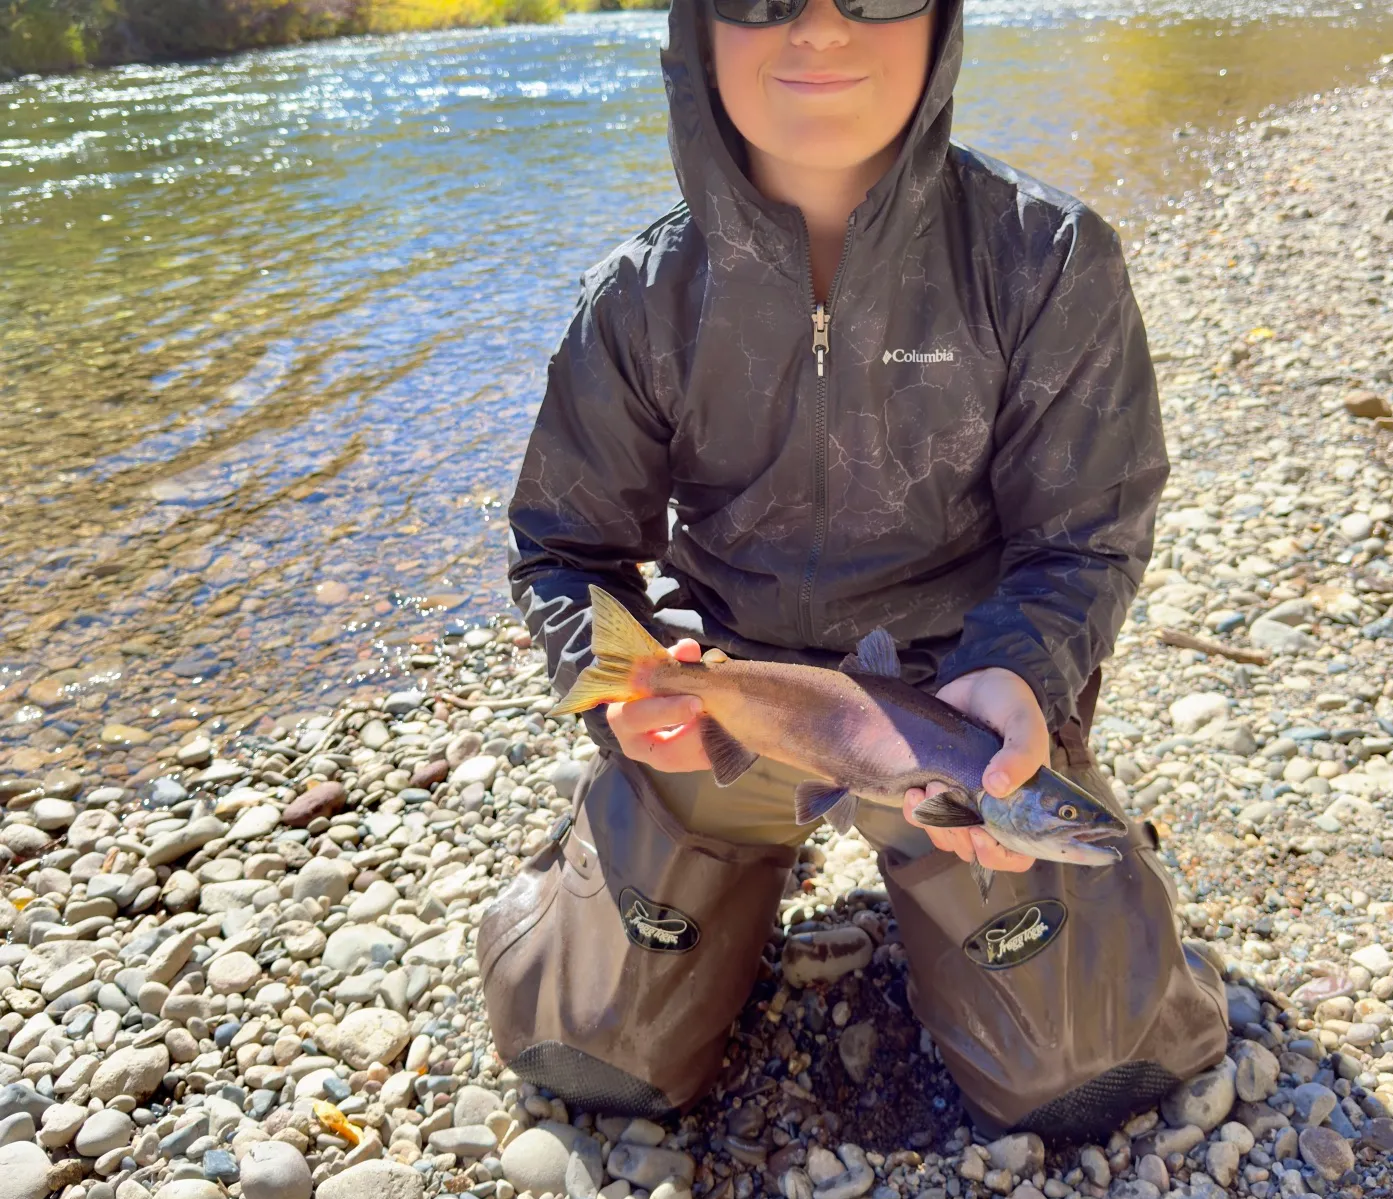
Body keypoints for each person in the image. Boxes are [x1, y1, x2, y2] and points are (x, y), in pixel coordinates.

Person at [478, 0, 1228, 1138]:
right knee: (591, 1054)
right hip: (734, 706)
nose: (820, 29)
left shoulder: (1048, 261)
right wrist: (626, 693)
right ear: (697, 26)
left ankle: (1101, 903)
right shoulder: (638, 298)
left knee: (1086, 1072)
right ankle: (632, 861)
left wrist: (1022, 672)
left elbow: (1082, 536)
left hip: (959, 716)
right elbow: (563, 550)